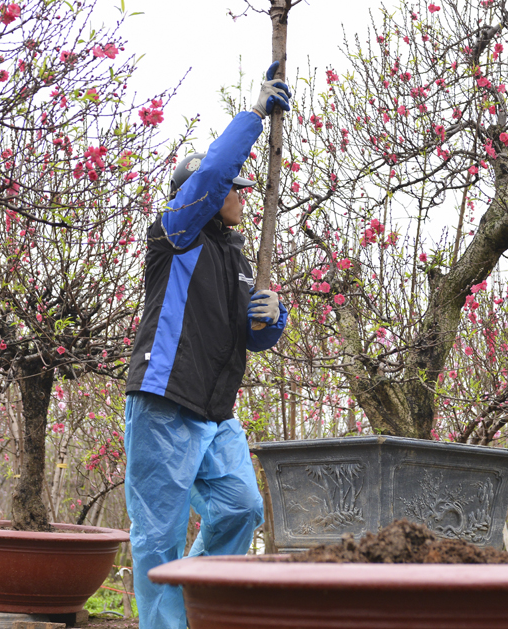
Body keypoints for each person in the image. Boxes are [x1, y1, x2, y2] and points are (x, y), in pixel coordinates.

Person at [122, 63, 291, 629]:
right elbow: (216, 171)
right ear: (202, 195)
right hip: (165, 400)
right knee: (158, 533)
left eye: (246, 189)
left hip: (217, 411)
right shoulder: (176, 232)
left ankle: (190, 603)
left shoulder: (235, 257)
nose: (243, 196)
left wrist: (271, 323)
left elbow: (249, 336)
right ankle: (166, 625)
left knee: (242, 506)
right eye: (234, 190)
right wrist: (253, 117)